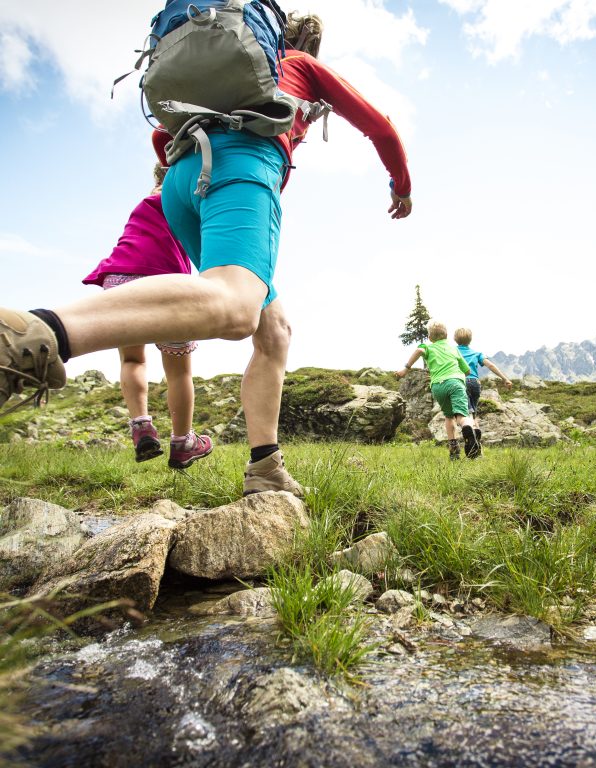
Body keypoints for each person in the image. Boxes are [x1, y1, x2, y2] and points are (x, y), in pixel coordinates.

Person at [0, 10, 412, 497]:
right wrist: (401, 186)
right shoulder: (301, 65)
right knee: (237, 308)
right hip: (242, 166)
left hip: (180, 182)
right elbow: (379, 126)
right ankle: (40, 333)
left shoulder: (224, 72)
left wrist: (197, 172)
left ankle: (266, 468)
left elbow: (162, 136)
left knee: (272, 327)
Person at [82, 160, 213, 469]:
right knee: (178, 371)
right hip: (167, 285)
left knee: (132, 359)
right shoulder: (192, 197)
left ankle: (141, 427)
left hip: (121, 280)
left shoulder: (144, 203)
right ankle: (183, 442)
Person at [396, 321, 480, 460]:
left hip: (438, 386)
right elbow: (467, 370)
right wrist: (458, 376)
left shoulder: (428, 347)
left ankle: (453, 449)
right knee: (461, 415)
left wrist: (406, 368)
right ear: (446, 335)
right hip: (455, 383)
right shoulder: (454, 349)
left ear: (429, 338)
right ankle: (467, 428)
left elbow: (419, 350)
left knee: (448, 416)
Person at [453, 327, 513, 456]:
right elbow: (490, 365)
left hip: (460, 382)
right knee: (473, 413)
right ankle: (476, 437)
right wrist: (505, 378)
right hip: (475, 383)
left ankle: (468, 430)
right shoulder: (476, 353)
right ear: (470, 340)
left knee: (463, 414)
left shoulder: (453, 352)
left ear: (455, 339)